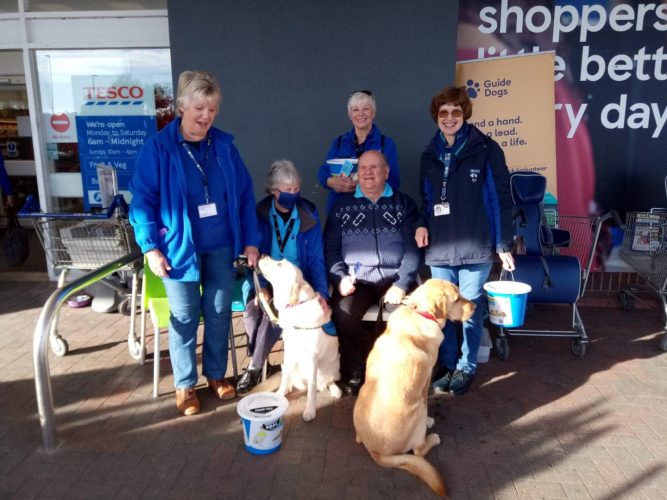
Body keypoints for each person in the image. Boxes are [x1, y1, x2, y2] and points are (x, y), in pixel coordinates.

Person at [129, 70, 260, 416]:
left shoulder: (225, 146)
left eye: (213, 109)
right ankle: (185, 384)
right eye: (199, 107)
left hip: (220, 245)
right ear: (181, 106)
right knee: (185, 316)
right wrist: (150, 247)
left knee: (218, 311)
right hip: (177, 249)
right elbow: (142, 201)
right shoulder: (158, 149)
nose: (206, 116)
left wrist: (250, 241)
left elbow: (245, 196)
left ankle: (216, 375)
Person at [415, 85, 515, 396]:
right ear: (436, 117)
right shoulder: (430, 154)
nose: (449, 118)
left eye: (455, 112)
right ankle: (446, 364)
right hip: (441, 247)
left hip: (476, 246)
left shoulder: (486, 149)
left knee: (470, 309)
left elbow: (500, 199)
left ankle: (466, 366)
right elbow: (426, 199)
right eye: (443, 112)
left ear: (465, 114)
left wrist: (503, 244)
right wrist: (420, 224)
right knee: (442, 310)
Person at [324, 150, 421, 396]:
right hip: (357, 279)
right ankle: (357, 371)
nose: (368, 172)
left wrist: (401, 283)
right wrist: (339, 277)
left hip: (395, 278)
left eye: (375, 167)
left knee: (413, 317)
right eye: (363, 168)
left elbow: (413, 249)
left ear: (386, 172)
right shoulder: (340, 208)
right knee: (343, 313)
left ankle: (404, 374)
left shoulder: (404, 204)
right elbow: (331, 249)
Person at [236, 159, 331, 395]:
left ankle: (255, 367)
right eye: (287, 190)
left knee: (275, 315)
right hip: (265, 277)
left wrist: (321, 292)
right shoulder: (258, 214)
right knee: (252, 310)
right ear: (273, 191)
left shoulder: (309, 214)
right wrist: (261, 287)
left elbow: (317, 259)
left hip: (298, 281)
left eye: (296, 189)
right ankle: (258, 355)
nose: (294, 194)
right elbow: (251, 257)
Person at [317, 90, 400, 213]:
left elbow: (394, 181)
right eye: (355, 110)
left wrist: (365, 183)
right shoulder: (339, 143)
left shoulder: (385, 144)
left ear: (373, 112)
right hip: (339, 210)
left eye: (366, 108)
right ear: (350, 115)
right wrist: (332, 182)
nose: (361, 114)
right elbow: (323, 172)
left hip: (373, 212)